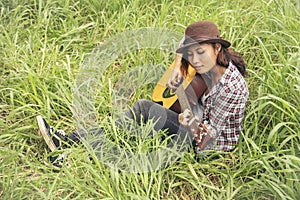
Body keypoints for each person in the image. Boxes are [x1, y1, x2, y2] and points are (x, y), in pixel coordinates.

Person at [36, 20, 248, 167]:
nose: (195, 60)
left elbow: (206, 141)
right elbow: (180, 46)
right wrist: (177, 70)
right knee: (141, 114)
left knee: (143, 126)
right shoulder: (211, 67)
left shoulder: (231, 88)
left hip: (211, 147)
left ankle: (73, 158)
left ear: (217, 48)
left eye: (201, 52)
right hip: (200, 118)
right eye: (190, 54)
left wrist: (187, 117)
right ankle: (71, 141)